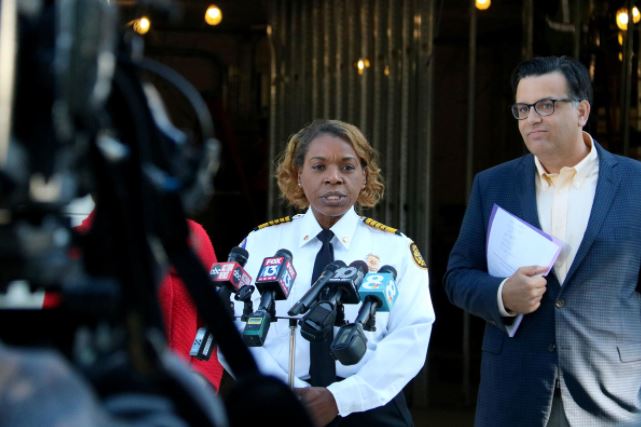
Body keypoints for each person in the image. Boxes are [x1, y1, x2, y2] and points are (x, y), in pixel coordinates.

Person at [444, 55, 641, 426]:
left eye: (546, 105)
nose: (532, 118)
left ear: (581, 110)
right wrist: (502, 295)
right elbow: (457, 275)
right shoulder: (493, 184)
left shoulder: (635, 183)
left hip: (612, 398)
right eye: (522, 109)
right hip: (516, 392)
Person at [226, 119, 434, 426]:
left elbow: (411, 336)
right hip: (280, 407)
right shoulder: (261, 244)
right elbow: (233, 326)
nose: (333, 178)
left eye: (348, 167)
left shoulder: (396, 249)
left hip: (369, 408)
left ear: (364, 176)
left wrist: (341, 399)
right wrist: (286, 390)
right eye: (319, 166)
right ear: (299, 175)